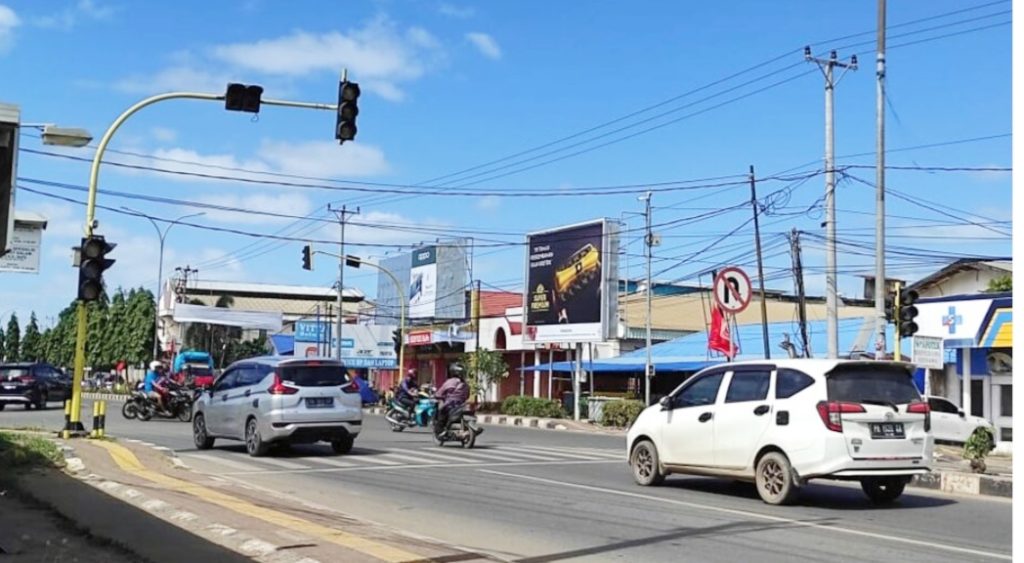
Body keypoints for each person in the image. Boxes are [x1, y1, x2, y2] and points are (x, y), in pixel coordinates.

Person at [434, 363, 470, 433]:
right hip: (462, 405)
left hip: (450, 405)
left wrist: (437, 395)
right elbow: (467, 396)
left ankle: (440, 430)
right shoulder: (465, 384)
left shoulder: (449, 382)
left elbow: (440, 393)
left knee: (441, 412)